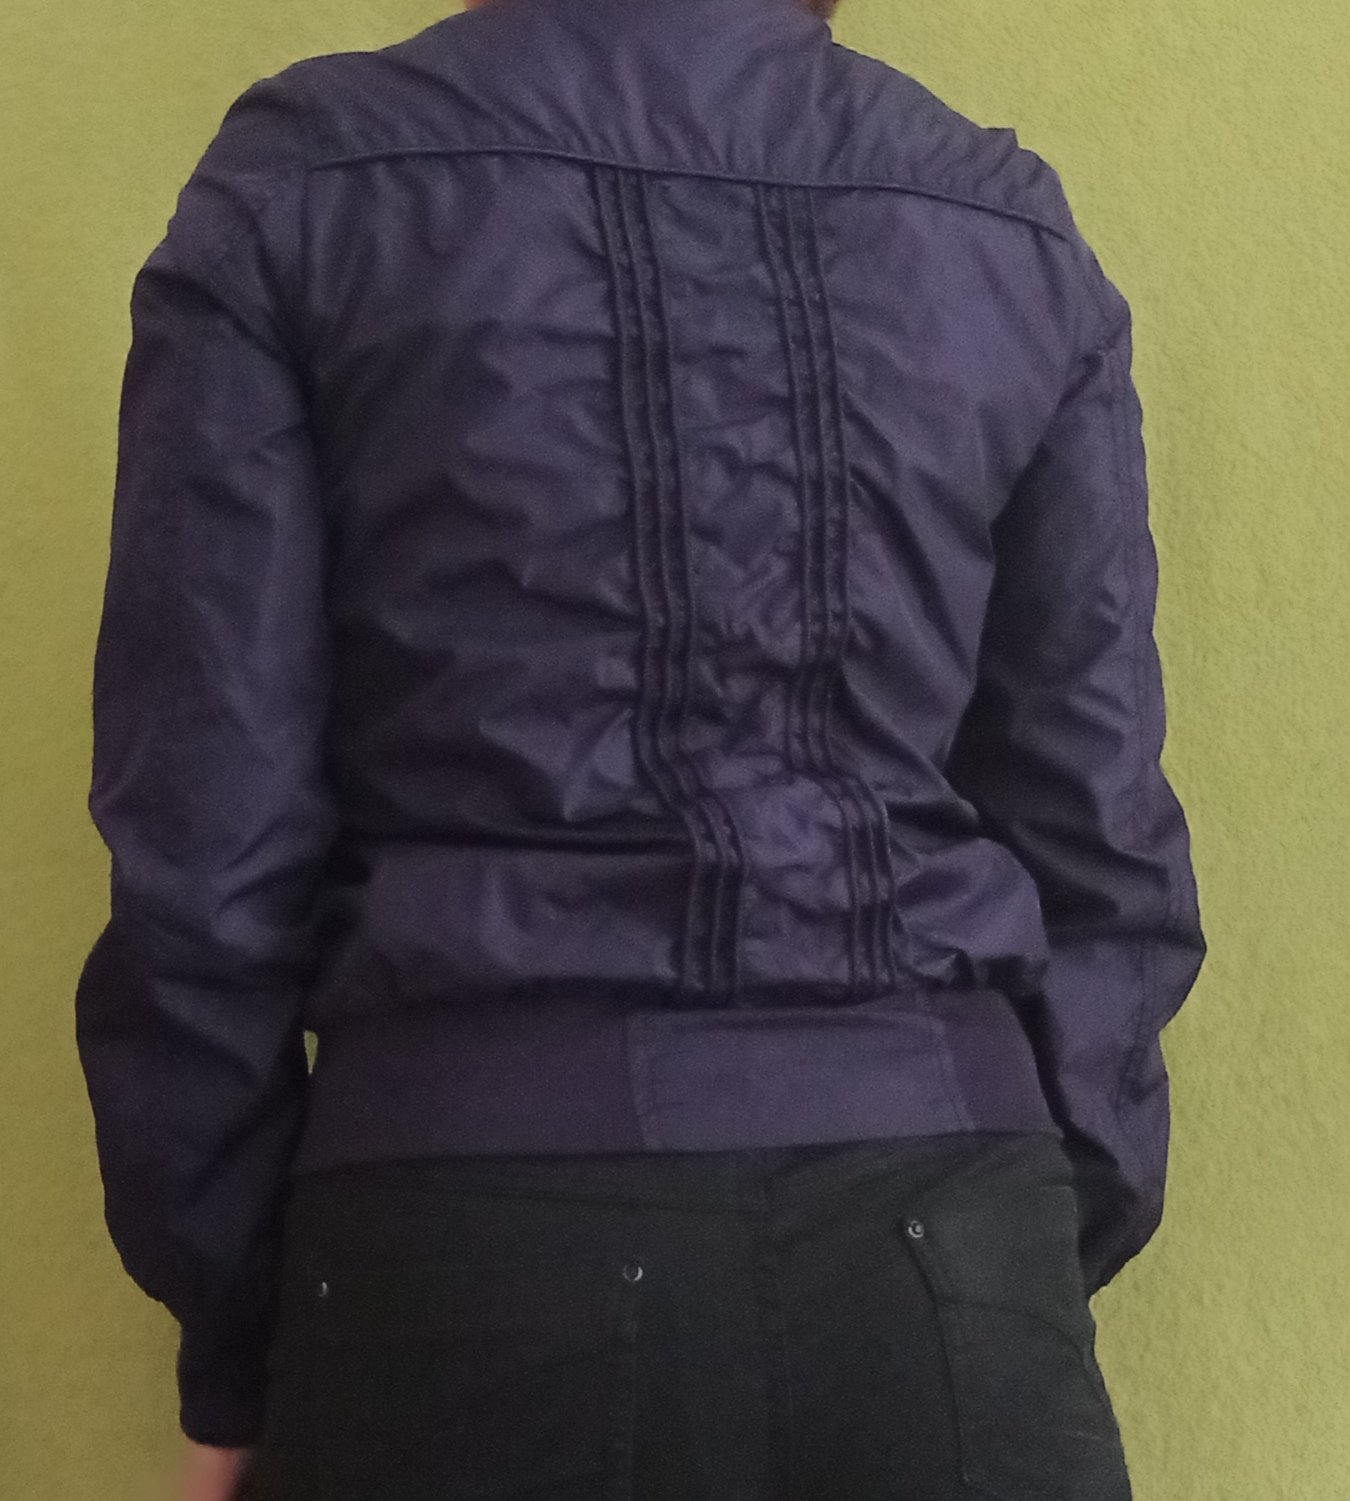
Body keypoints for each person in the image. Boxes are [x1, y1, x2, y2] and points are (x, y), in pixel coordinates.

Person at [73, 0, 1207, 1497]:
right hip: (956, 1254)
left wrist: (232, 1333)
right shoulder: (1002, 224)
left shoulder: (307, 182)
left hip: (461, 1245)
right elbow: (1098, 829)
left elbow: (203, 841)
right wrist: (1028, 1250)